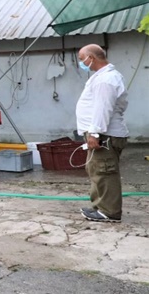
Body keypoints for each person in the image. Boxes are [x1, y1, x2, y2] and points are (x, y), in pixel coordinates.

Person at [75, 44, 129, 222]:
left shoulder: (106, 79)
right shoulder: (103, 77)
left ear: (92, 58)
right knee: (96, 169)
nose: (82, 63)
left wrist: (95, 133)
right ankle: (100, 206)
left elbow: (102, 108)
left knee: (104, 171)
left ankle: (109, 211)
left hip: (104, 134)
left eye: (83, 59)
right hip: (102, 133)